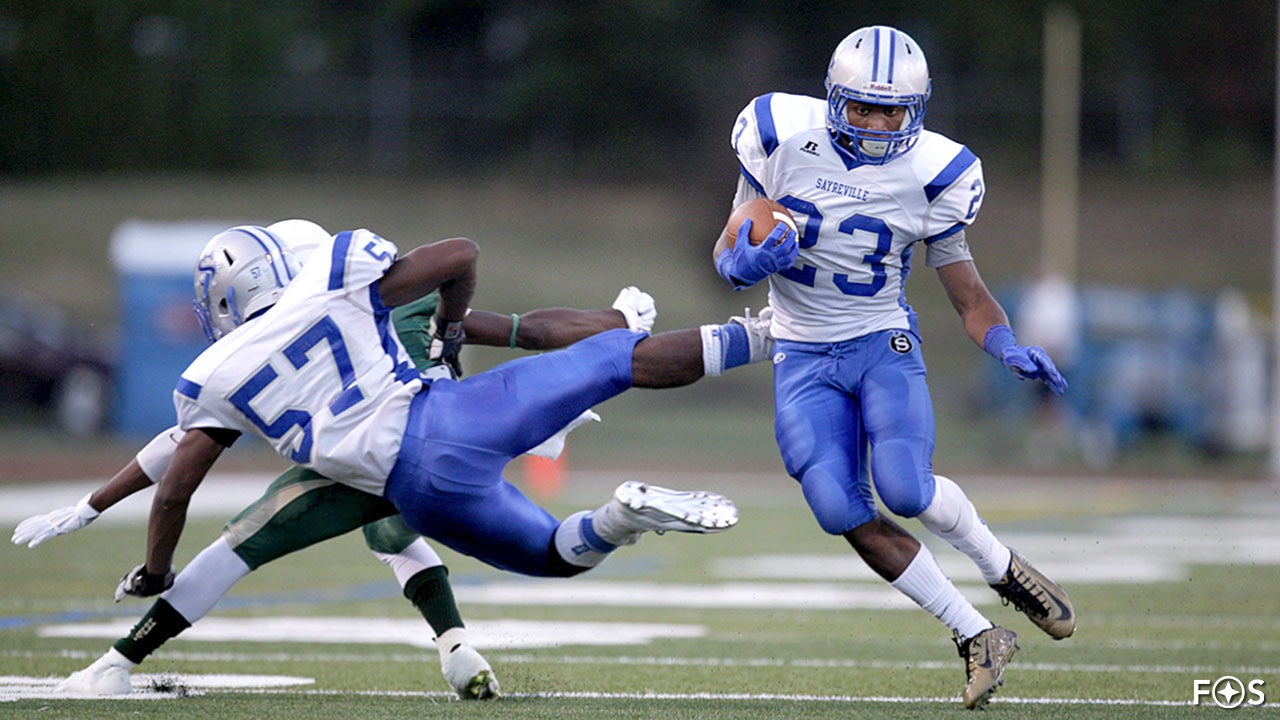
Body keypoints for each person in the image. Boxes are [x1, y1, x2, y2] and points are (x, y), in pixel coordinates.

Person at [103, 221, 768, 691]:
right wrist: (614, 322)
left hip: (406, 485)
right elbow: (491, 291)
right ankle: (765, 337)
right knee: (618, 361)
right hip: (455, 417)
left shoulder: (218, 374)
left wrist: (137, 547)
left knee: (549, 554)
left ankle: (114, 663)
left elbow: (175, 479)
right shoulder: (357, 287)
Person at [714, 26, 1075, 710]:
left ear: (918, 110)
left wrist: (1005, 344)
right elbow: (731, 242)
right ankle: (976, 635)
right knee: (836, 509)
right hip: (800, 352)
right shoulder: (777, 132)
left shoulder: (938, 170)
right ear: (833, 101)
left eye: (892, 111)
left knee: (905, 489)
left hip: (881, 340)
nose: (878, 124)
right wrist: (742, 264)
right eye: (863, 109)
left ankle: (1002, 569)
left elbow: (967, 294)